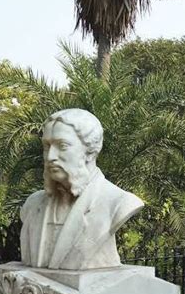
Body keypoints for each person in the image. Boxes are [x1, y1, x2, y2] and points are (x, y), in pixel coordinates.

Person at [20, 108, 144, 270]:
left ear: (90, 151)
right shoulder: (33, 204)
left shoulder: (118, 203)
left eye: (62, 146)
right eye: (46, 146)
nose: (50, 157)